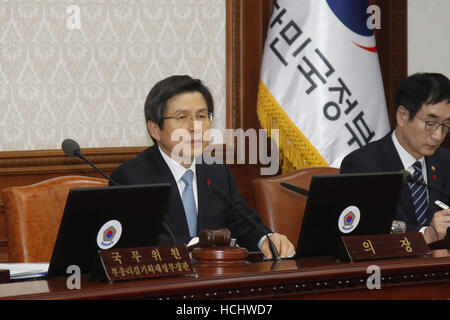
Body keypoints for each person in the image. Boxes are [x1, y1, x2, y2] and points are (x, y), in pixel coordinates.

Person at [111, 75, 295, 258]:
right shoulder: (131, 178)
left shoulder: (216, 171)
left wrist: (266, 239)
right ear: (155, 130)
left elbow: (243, 222)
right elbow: (140, 240)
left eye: (201, 116)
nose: (195, 127)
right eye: (182, 117)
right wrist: (198, 246)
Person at [340, 72, 450, 243]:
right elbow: (364, 233)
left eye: (445, 125)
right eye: (430, 123)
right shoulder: (363, 164)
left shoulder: (446, 162)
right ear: (402, 116)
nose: (437, 135)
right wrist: (424, 235)